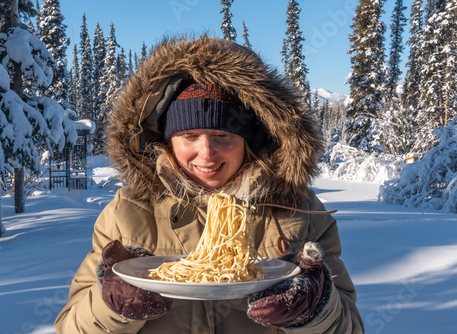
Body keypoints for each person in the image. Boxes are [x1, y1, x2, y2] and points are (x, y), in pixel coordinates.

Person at [54, 35, 364, 333]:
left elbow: (349, 329)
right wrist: (112, 306)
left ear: (249, 139)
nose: (206, 153)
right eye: (189, 136)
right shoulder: (127, 213)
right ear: (167, 141)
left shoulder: (301, 212)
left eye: (222, 135)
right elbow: (71, 328)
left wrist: (315, 310)